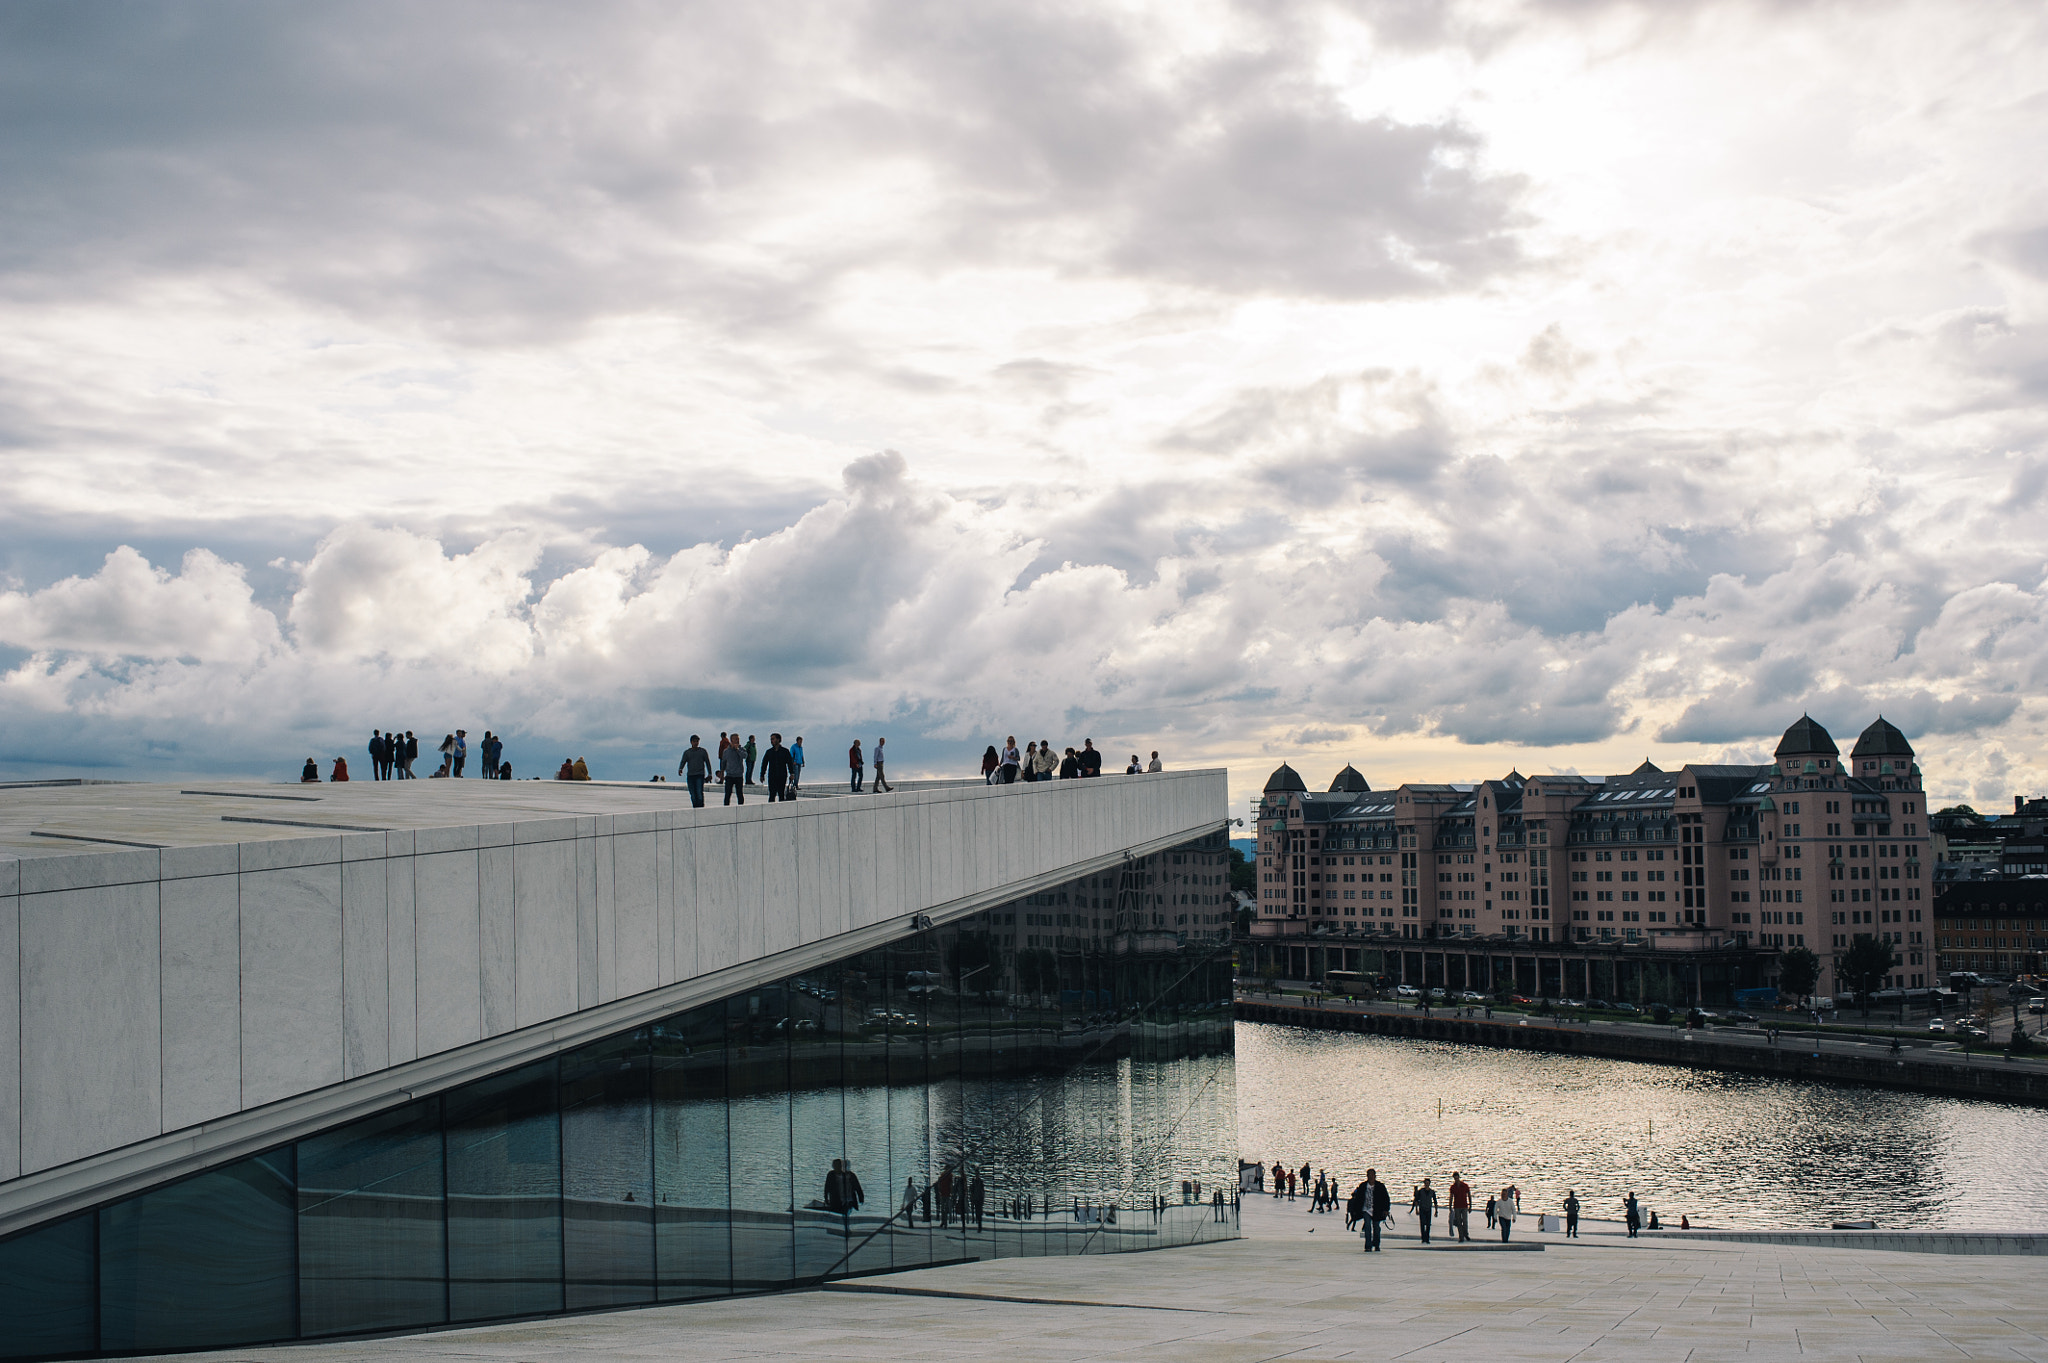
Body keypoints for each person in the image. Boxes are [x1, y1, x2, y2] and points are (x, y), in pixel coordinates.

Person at [679, 735, 712, 807]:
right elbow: (683, 761)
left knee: (699, 792)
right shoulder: (687, 752)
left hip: (699, 774)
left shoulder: (703, 751)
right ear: (691, 742)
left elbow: (707, 762)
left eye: (697, 741)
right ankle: (695, 807)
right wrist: (680, 769)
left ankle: (700, 807)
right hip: (690, 775)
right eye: (694, 741)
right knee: (692, 794)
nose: (696, 743)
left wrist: (710, 773)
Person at [763, 733, 796, 802]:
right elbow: (764, 763)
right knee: (772, 795)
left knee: (781, 794)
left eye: (773, 739)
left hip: (782, 775)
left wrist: (792, 773)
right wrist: (762, 774)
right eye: (771, 739)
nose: (771, 741)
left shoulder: (785, 751)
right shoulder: (769, 752)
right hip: (772, 776)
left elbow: (789, 763)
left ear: (778, 740)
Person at [1412, 1177, 1438, 1244]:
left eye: (1428, 1183)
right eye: (1425, 1183)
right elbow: (1416, 1200)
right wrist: (1416, 1209)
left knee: (1428, 1225)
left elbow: (1435, 1201)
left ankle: (1427, 1238)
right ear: (1424, 1184)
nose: (1427, 1184)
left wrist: (1436, 1210)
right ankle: (1423, 1238)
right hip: (1422, 1209)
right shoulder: (1420, 1191)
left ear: (1429, 1184)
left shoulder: (1432, 1192)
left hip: (1428, 1209)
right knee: (1422, 1224)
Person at [720, 737, 746, 805]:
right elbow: (723, 762)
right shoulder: (726, 751)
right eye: (736, 739)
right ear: (731, 740)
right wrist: (722, 773)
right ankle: (726, 808)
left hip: (738, 775)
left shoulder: (741, 749)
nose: (737, 741)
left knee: (739, 793)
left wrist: (737, 750)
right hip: (729, 775)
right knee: (728, 793)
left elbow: (745, 756)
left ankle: (741, 807)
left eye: (738, 739)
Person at [1449, 1171, 1472, 1242]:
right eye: (1455, 1178)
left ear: (1459, 1177)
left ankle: (1466, 1234)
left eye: (1457, 1178)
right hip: (1456, 1206)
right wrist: (1450, 1206)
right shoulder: (1453, 1187)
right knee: (1458, 1222)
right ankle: (1461, 1237)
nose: (1456, 1179)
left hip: (1464, 1206)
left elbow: (1469, 1195)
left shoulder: (1465, 1186)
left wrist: (1470, 1205)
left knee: (1465, 1222)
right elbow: (1451, 1197)